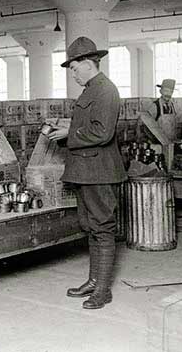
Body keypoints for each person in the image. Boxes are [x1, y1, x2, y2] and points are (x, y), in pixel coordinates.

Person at [45, 36, 127, 309]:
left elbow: (103, 132)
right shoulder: (92, 89)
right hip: (85, 170)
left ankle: (103, 290)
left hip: (99, 172)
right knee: (90, 226)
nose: (72, 73)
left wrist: (69, 133)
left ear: (88, 63)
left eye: (74, 67)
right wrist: (65, 129)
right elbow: (90, 125)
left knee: (102, 228)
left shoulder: (105, 90)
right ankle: (94, 280)